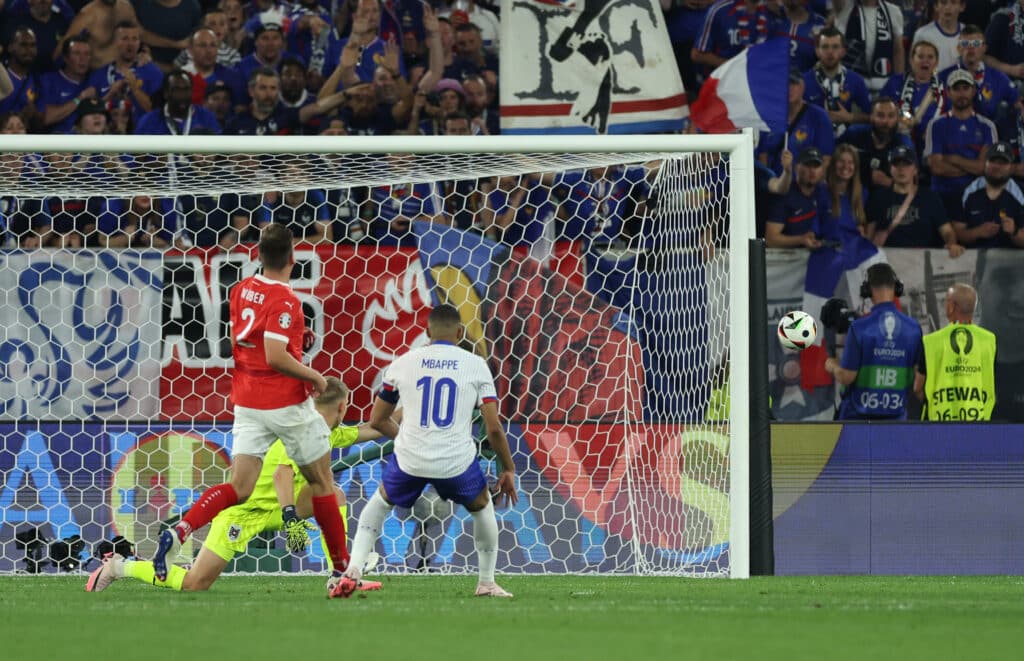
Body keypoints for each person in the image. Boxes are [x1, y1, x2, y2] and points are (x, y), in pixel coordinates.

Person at [151, 223, 357, 599]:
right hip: (284, 403)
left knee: (239, 487)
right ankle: (341, 571)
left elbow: (237, 342)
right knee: (323, 483)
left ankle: (181, 529)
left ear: (258, 256)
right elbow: (277, 357)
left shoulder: (243, 288)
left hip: (246, 402)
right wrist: (315, 376)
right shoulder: (285, 300)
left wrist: (293, 346)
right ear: (293, 259)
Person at [86, 378, 388, 593]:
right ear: (343, 407)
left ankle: (340, 574)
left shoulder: (328, 431)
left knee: (332, 493)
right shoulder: (300, 430)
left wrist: (412, 415)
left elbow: (372, 429)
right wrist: (291, 518)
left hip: (279, 508)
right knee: (195, 584)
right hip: (246, 513)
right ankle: (119, 568)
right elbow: (281, 474)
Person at [341, 304, 518, 597]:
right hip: (456, 463)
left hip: (410, 459)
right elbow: (494, 428)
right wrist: (508, 468)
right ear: (460, 333)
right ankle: (486, 582)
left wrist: (405, 439)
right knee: (482, 506)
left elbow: (377, 420)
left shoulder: (403, 362)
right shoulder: (476, 365)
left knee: (380, 503)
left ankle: (354, 569)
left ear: (426, 331)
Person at [824, 263, 923, 420]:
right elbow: (919, 379)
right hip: (896, 421)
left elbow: (846, 377)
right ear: (896, 288)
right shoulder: (914, 328)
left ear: (867, 290)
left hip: (856, 421)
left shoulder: (859, 327)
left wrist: (832, 364)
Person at [913, 284, 996, 421]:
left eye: (945, 301)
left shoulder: (930, 342)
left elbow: (918, 388)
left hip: (939, 425)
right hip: (979, 423)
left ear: (951, 306)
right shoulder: (989, 340)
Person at [923, 68, 997, 219]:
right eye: (956, 89)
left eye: (965, 88)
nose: (961, 93)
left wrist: (952, 159)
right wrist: (973, 167)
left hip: (976, 194)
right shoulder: (936, 124)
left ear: (974, 91)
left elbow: (985, 168)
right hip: (942, 193)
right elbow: (936, 167)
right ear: (948, 92)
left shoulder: (987, 126)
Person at [866, 145, 964, 254]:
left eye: (906, 164)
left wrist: (951, 244)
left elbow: (947, 231)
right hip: (886, 262)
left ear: (915, 170)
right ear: (890, 169)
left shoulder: (930, 197)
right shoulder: (878, 197)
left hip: (922, 263)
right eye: (896, 164)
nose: (901, 169)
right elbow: (868, 236)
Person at [955, 141, 1024, 248]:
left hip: (1011, 261)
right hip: (974, 259)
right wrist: (977, 232)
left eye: (1002, 163)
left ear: (1011, 167)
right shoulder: (968, 190)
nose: (997, 166)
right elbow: (957, 232)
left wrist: (1014, 232)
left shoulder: (1021, 193)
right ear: (985, 163)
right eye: (993, 161)